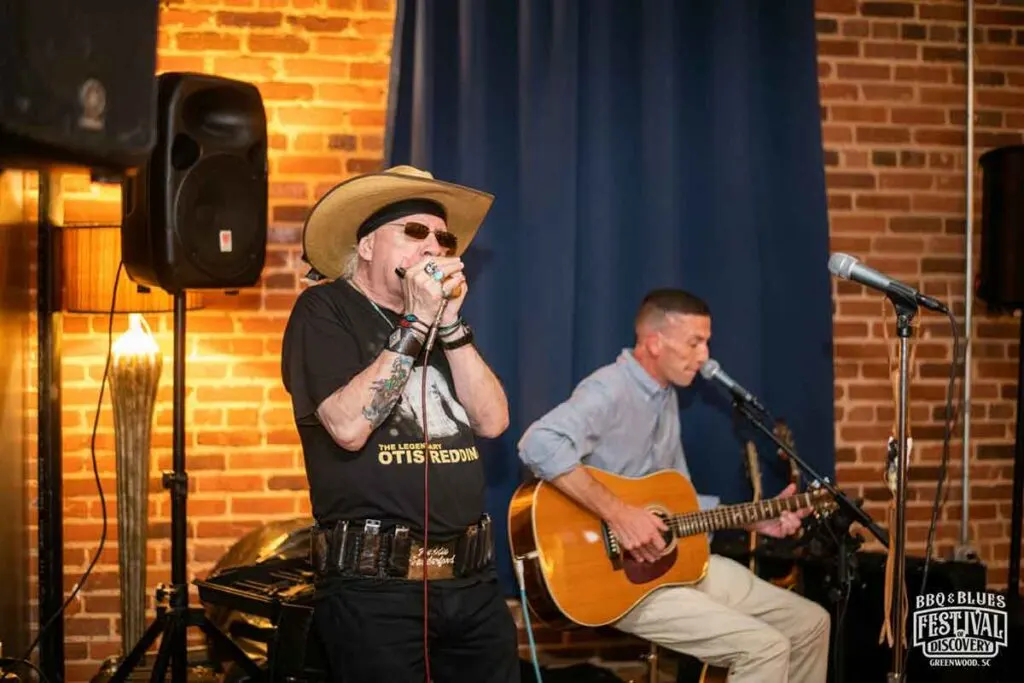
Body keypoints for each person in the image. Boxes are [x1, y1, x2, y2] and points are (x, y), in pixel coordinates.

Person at [281, 165, 520, 683]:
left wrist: (450, 325)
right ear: (367, 246)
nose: (433, 246)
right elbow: (347, 427)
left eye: (443, 237)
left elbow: (494, 421)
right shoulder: (324, 309)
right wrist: (415, 324)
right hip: (377, 588)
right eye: (414, 231)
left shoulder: (443, 326)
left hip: (471, 580)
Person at [517, 288, 830, 683]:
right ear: (654, 342)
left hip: (672, 566)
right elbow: (537, 443)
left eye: (707, 343)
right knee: (764, 646)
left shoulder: (664, 398)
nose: (705, 357)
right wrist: (619, 514)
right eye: (694, 343)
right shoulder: (610, 388)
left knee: (810, 622)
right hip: (620, 579)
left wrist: (753, 521)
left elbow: (674, 505)